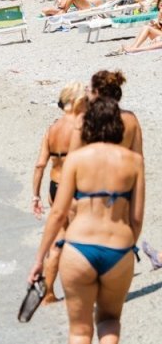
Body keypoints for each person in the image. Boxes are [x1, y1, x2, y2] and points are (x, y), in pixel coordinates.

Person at [28, 97, 144, 344]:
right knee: (109, 321)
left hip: (79, 249)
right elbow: (136, 217)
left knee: (80, 331)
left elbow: (59, 213)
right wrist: (127, 245)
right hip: (118, 249)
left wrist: (39, 259)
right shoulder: (134, 162)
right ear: (118, 127)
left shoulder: (76, 159)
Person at [30, 82, 87, 304]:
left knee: (58, 241)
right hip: (76, 187)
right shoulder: (83, 127)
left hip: (55, 187)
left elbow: (39, 165)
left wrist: (35, 196)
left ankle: (49, 293)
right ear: (78, 101)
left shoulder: (52, 129)